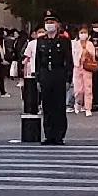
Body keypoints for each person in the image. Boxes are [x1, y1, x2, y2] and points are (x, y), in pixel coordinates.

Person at [33, 16, 74, 146]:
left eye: (52, 22)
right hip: (46, 74)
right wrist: (38, 78)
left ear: (57, 24)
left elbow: (68, 60)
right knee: (47, 106)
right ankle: (49, 134)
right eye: (47, 22)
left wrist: (68, 78)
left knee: (59, 105)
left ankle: (59, 135)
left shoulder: (64, 40)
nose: (49, 25)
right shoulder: (41, 40)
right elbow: (38, 61)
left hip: (59, 73)